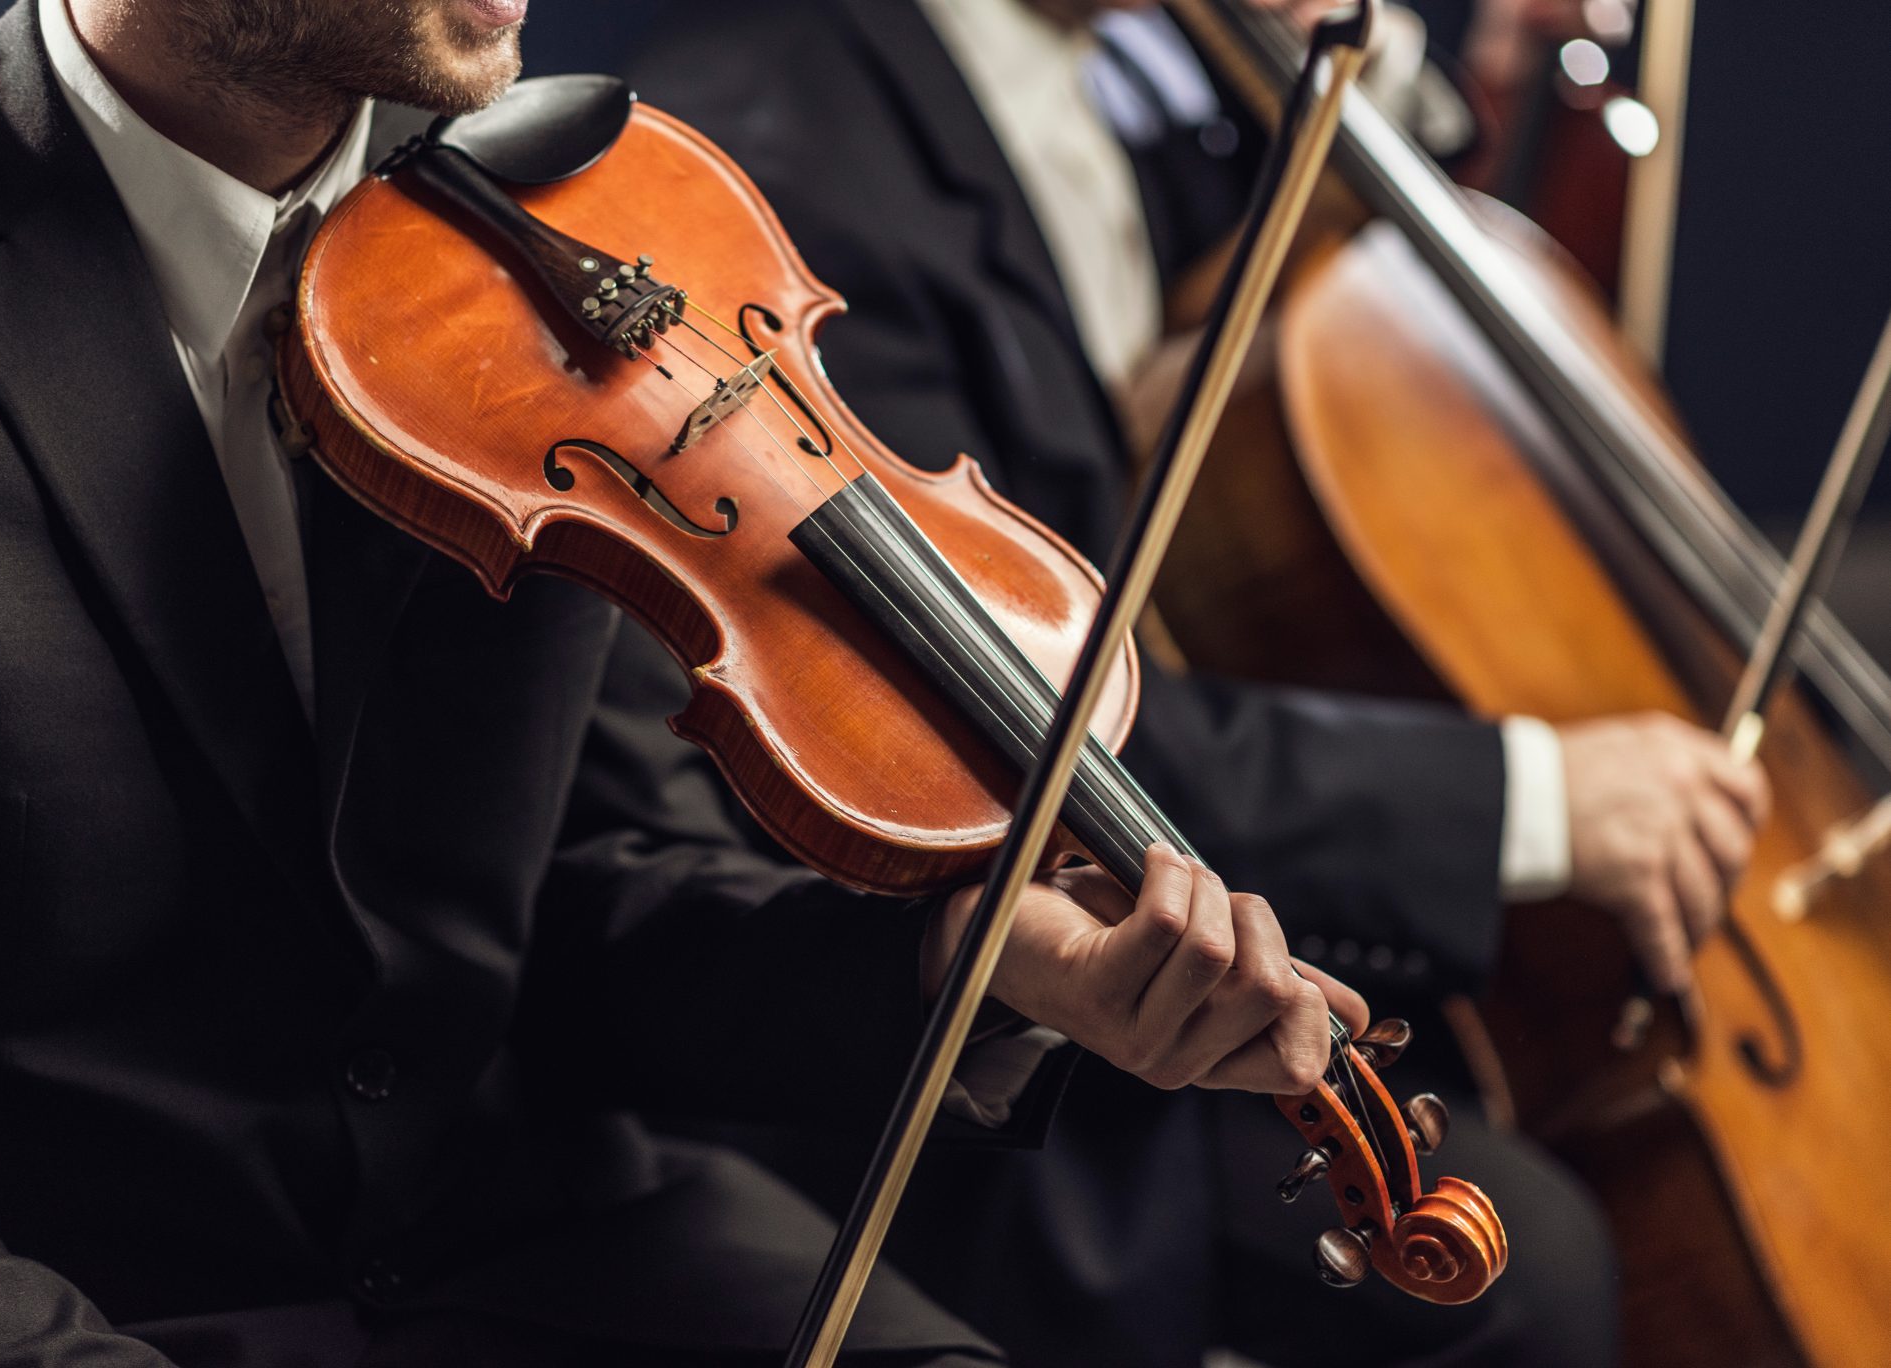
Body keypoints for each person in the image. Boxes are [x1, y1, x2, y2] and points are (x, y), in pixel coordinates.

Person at [0, 0, 1372, 1363]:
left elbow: (584, 903)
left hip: (558, 1250)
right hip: (97, 1303)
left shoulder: (555, 241)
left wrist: (978, 972)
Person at [621, 1, 1771, 1365]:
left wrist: (1375, 82)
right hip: (938, 1042)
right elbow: (1000, 722)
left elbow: (1312, 320)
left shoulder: (1118, 89)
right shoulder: (778, 155)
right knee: (1524, 1272)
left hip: (1195, 900)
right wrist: (1527, 797)